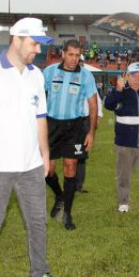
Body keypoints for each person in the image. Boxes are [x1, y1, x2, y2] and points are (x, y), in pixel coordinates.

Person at [0, 17, 67, 277]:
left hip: (31, 166)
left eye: (39, 44)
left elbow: (40, 118)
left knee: (37, 222)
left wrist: (45, 155)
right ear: (17, 39)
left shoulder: (36, 75)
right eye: (34, 43)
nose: (37, 49)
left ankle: (40, 276)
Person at [43, 39, 98, 230]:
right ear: (63, 54)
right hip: (51, 125)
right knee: (47, 170)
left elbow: (92, 104)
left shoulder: (86, 76)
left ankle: (67, 212)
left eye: (77, 55)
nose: (74, 59)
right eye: (71, 54)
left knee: (70, 167)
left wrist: (91, 132)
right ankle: (59, 195)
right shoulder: (49, 72)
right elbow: (39, 98)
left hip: (74, 126)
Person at [104, 62, 139, 219]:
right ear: (127, 75)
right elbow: (109, 105)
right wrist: (118, 89)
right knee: (123, 175)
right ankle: (123, 202)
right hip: (124, 142)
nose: (137, 79)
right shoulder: (120, 91)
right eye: (133, 75)